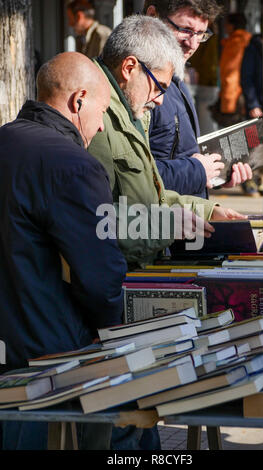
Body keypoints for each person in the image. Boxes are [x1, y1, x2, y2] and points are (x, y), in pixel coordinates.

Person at [87, 14, 246, 450]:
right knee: (124, 421)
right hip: (111, 289)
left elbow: (151, 194)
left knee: (141, 413)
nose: (161, 100)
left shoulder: (128, 108)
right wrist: (168, 220)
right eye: (159, 86)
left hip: (128, 281)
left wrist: (207, 207)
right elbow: (101, 221)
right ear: (130, 68)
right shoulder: (99, 117)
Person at [0, 51, 128, 450]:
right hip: (48, 357)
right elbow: (102, 276)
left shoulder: (6, 140)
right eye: (103, 111)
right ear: (79, 101)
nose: (103, 125)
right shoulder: (74, 164)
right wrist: (109, 333)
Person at [143, 0, 253, 197]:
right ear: (153, 16)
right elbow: (133, 179)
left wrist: (216, 173)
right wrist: (197, 170)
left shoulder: (177, 81)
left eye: (201, 34)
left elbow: (183, 155)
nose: (192, 44)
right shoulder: (135, 85)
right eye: (185, 29)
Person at [216, 13, 252, 127]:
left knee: (234, 136)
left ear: (232, 25)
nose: (225, 26)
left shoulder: (235, 43)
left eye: (226, 24)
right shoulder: (246, 39)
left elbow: (230, 73)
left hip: (234, 96)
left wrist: (227, 102)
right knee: (246, 135)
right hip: (243, 93)